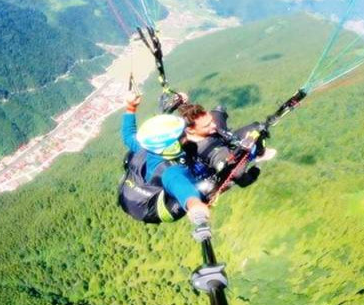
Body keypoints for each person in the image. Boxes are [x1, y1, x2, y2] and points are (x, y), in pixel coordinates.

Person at [118, 92, 211, 228]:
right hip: (153, 209)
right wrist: (196, 206)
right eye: (182, 135)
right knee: (203, 186)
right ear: (172, 145)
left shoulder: (144, 147)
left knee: (130, 155)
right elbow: (183, 188)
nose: (185, 134)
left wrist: (131, 107)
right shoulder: (171, 172)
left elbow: (128, 134)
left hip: (128, 196)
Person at [178, 103, 277, 190]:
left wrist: (182, 104)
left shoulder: (188, 128)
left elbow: (195, 119)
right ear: (190, 130)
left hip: (222, 140)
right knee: (241, 175)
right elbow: (236, 173)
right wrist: (256, 167)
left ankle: (259, 150)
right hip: (223, 160)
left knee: (220, 110)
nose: (213, 125)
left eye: (211, 121)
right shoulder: (207, 149)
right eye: (207, 125)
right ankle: (260, 156)